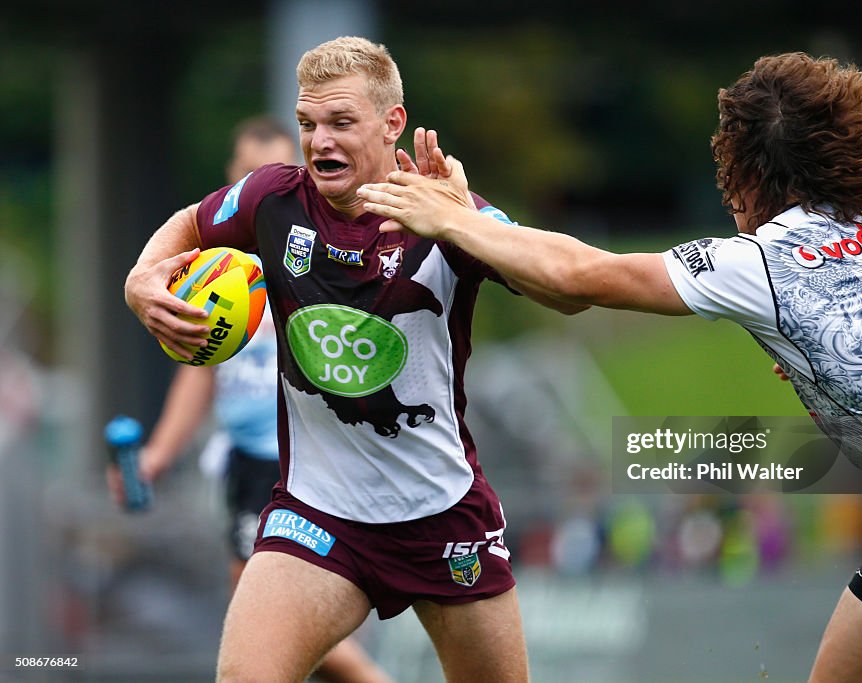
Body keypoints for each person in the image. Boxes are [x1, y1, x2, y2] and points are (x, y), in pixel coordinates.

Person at [357, 52, 862, 682]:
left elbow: (583, 274)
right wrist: (842, 351)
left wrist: (453, 218)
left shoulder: (762, 261)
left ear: (751, 170)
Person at [124, 36, 582, 683]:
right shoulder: (273, 201)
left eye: (341, 123)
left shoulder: (446, 211)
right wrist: (141, 279)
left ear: (393, 122)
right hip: (318, 515)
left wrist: (467, 228)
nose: (319, 142)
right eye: (309, 124)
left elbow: (562, 288)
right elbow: (189, 224)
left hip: (441, 511)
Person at [110, 115, 394, 683]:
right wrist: (159, 453)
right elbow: (200, 371)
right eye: (249, 172)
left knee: (268, 620)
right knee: (278, 626)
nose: (262, 182)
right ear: (233, 179)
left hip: (301, 459)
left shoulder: (306, 252)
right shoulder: (209, 266)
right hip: (245, 462)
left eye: (274, 170)